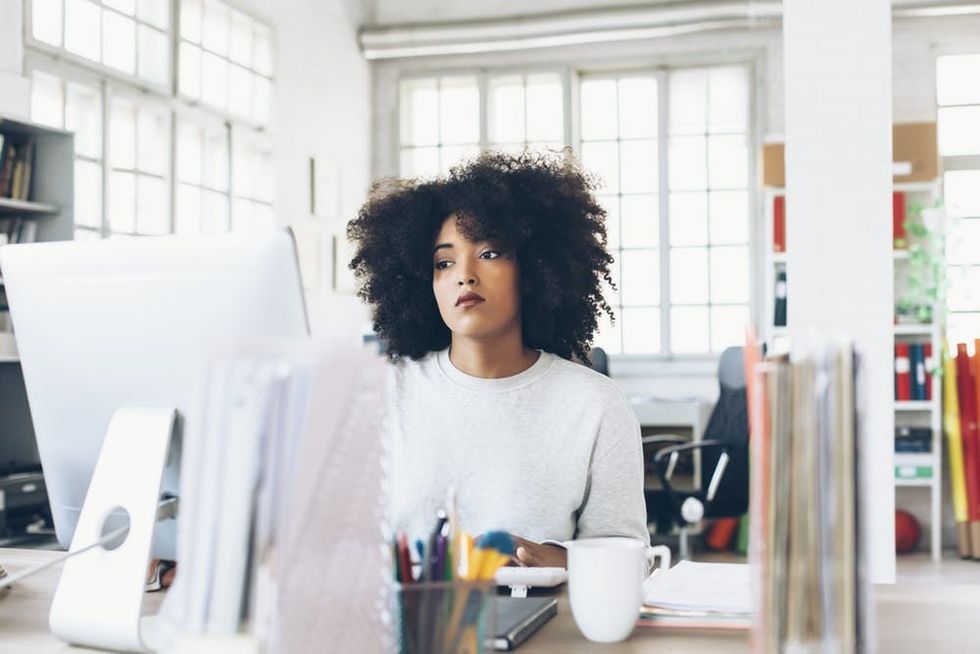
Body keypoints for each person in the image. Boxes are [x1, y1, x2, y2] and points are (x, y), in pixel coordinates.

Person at [347, 150, 647, 568]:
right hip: (412, 626)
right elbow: (341, 543)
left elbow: (628, 552)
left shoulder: (594, 404)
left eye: (489, 254)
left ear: (535, 268)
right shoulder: (383, 394)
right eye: (444, 262)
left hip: (549, 627)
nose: (464, 275)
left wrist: (556, 559)